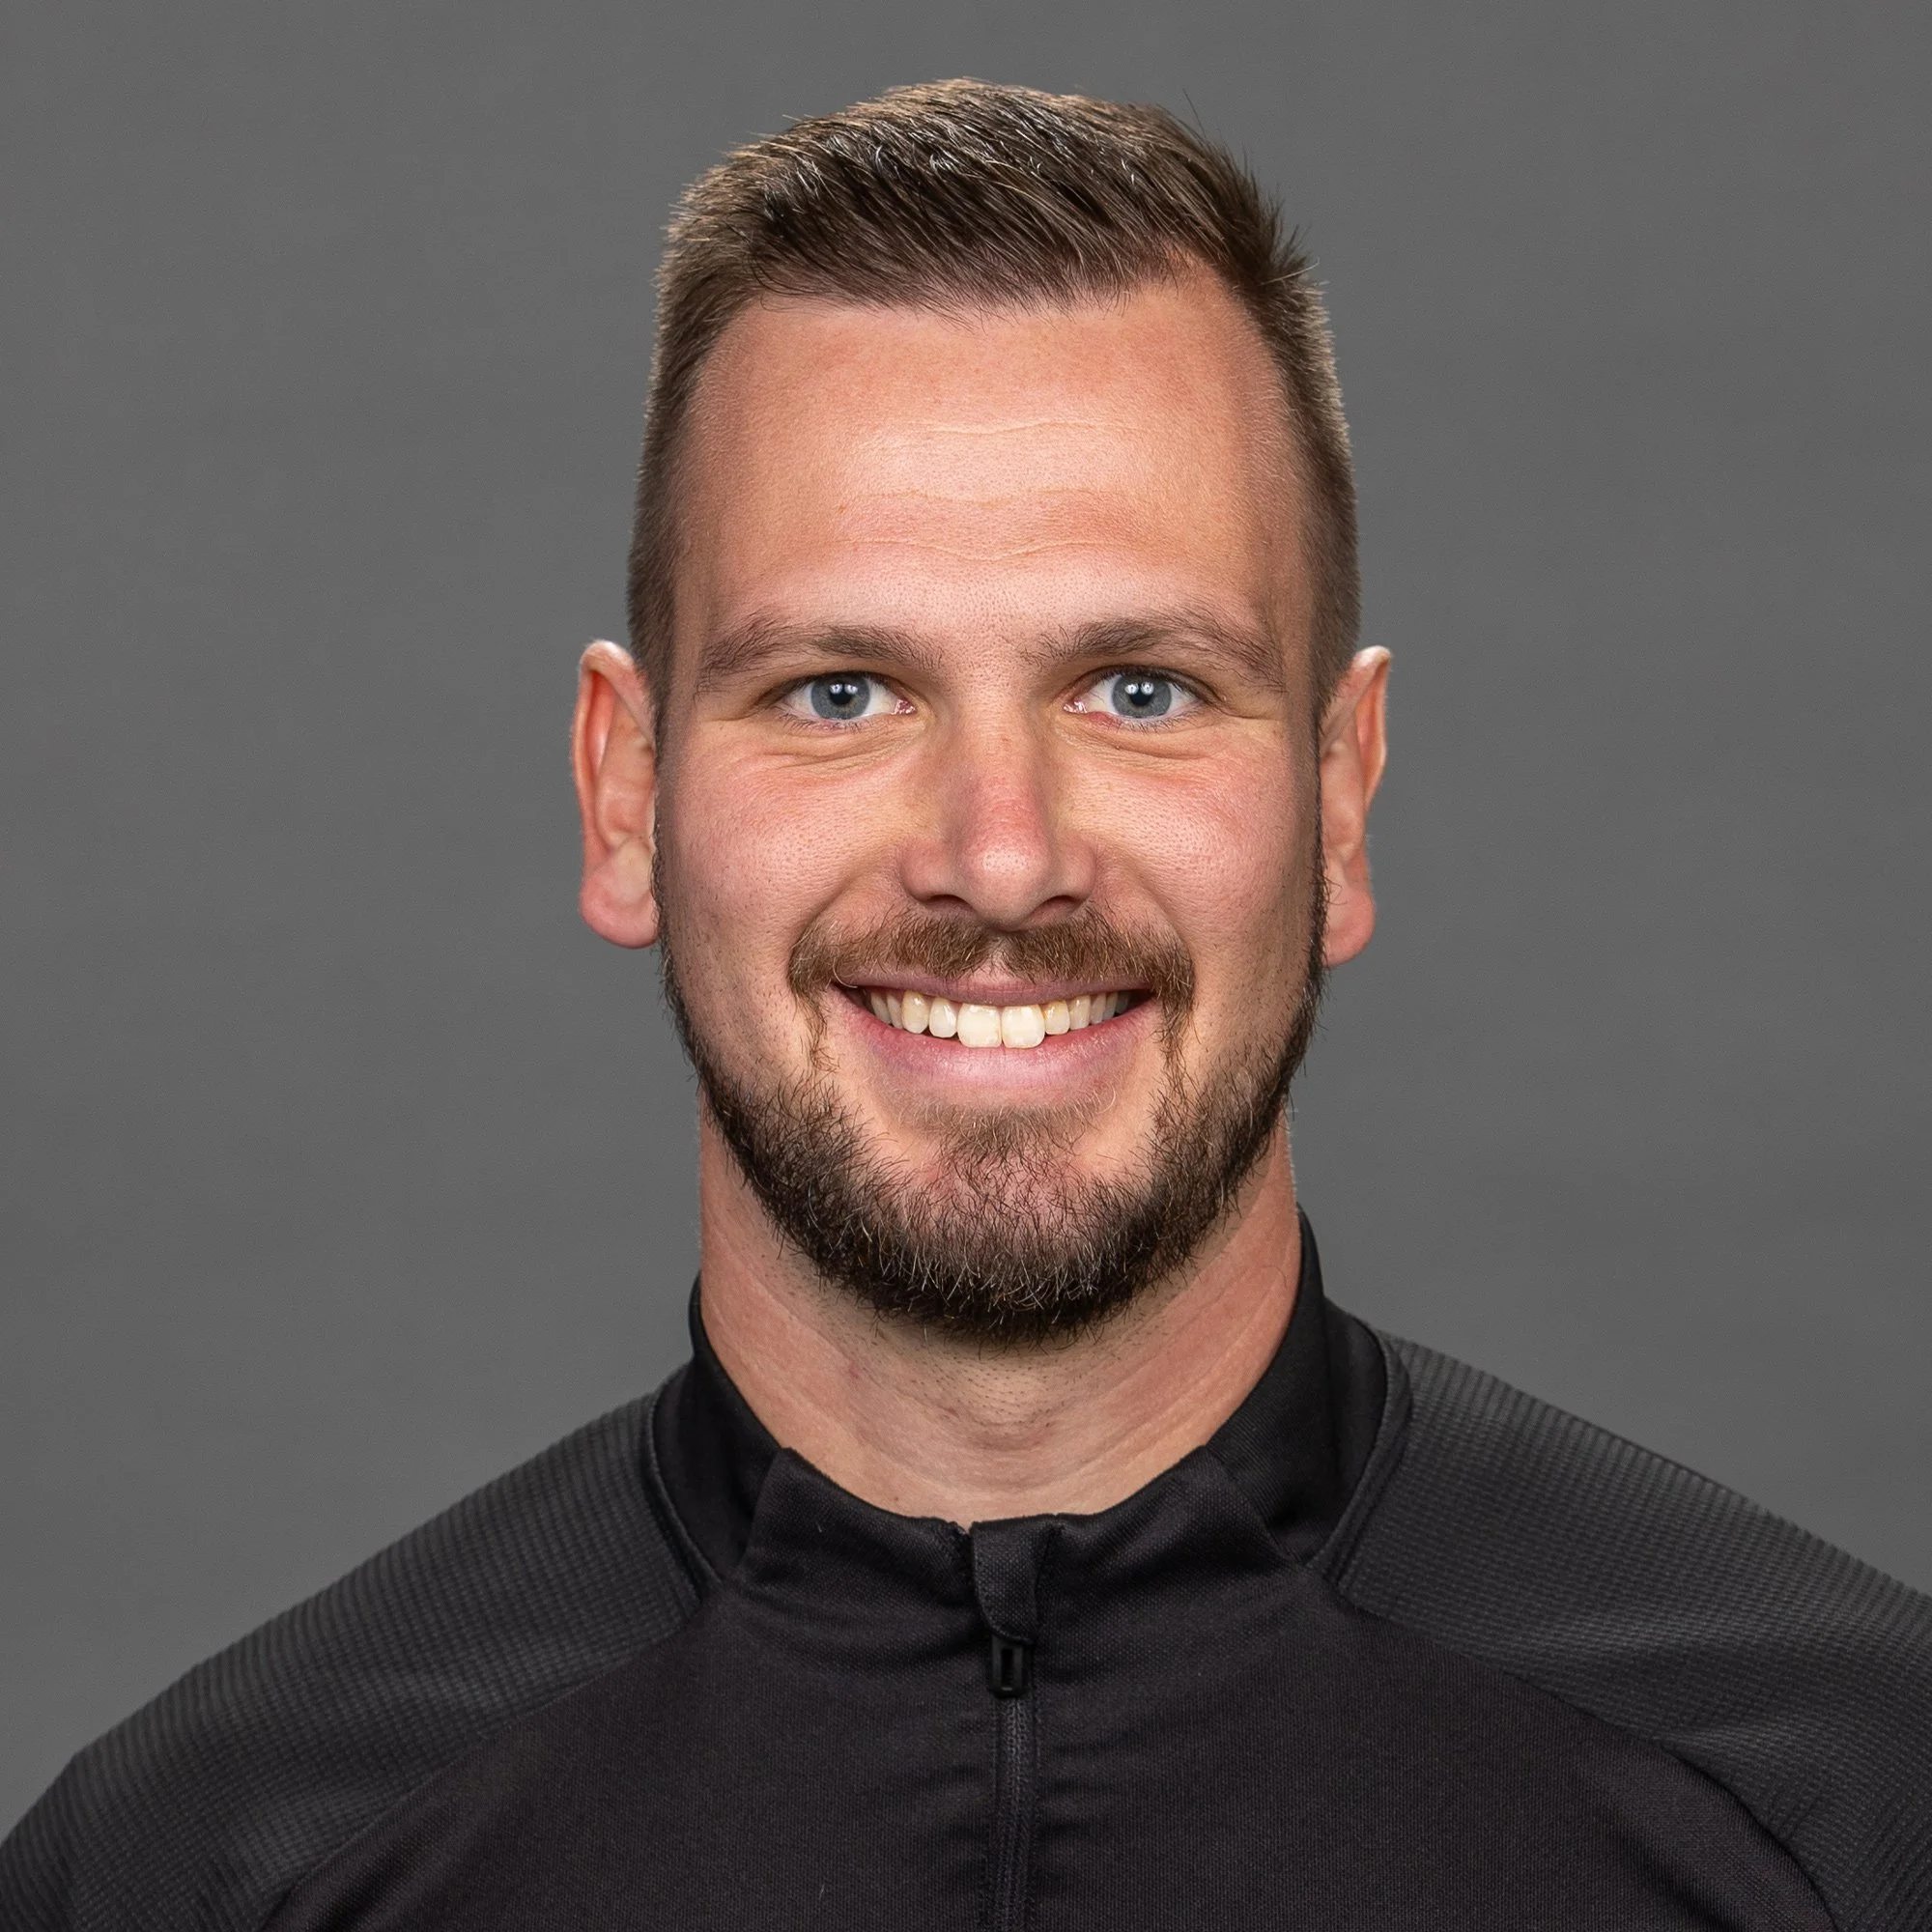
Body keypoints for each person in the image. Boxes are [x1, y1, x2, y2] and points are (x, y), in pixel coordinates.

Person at [4, 77, 1927, 1932]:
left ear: (1339, 801)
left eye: (1140, 688)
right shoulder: (207, 1870)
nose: (999, 860)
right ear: (622, 794)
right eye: (840, 691)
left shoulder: (1853, 1817)